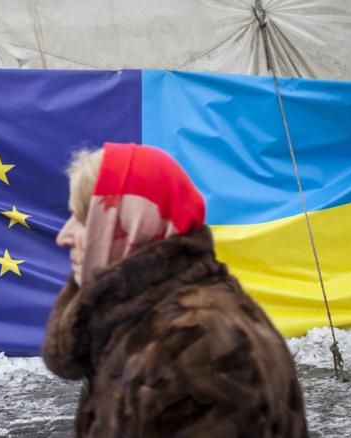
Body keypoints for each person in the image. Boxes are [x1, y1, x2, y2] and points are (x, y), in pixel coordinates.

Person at [43, 142, 308, 438]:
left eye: (83, 220)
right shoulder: (147, 322)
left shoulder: (195, 343)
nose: (63, 236)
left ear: (133, 224)